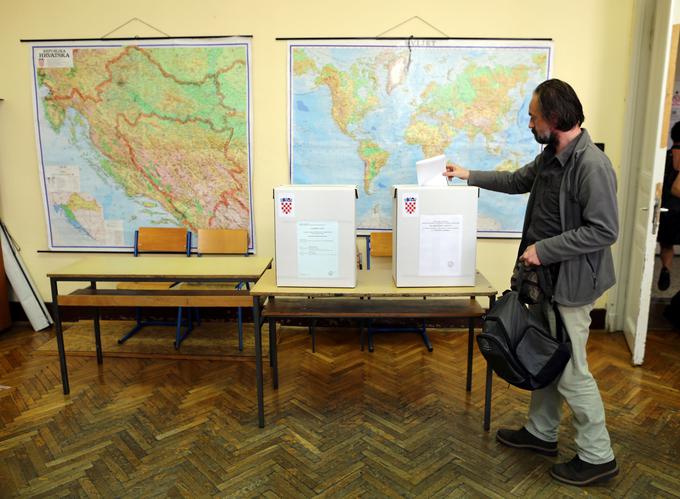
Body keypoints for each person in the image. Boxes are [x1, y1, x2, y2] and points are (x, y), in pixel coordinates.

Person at [445, 79, 619, 486]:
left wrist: (546, 249)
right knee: (545, 358)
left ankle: (598, 455)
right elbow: (513, 181)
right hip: (544, 284)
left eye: (533, 115)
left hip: (571, 286)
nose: (529, 122)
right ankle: (542, 434)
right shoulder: (549, 157)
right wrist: (466, 174)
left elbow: (604, 230)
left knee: (574, 373)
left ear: (554, 118)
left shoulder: (591, 165)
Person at [657, 121, 680, 291]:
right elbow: (677, 189)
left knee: (667, 244)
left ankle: (666, 268)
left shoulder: (665, 155)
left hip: (666, 208)